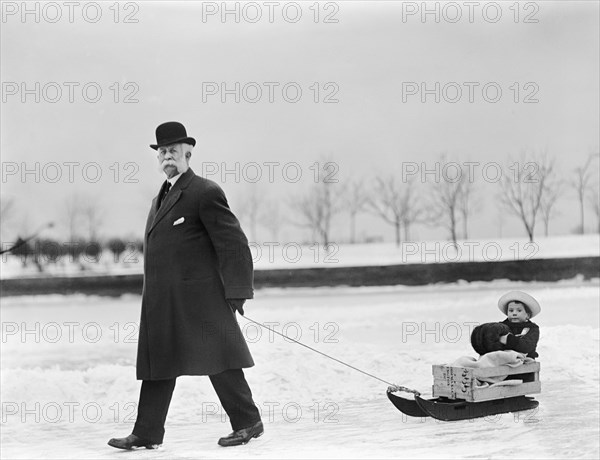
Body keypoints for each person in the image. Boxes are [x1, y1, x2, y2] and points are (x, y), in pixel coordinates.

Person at [108, 121, 263, 450]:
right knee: (158, 364)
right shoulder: (159, 198)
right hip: (163, 302)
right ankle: (147, 431)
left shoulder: (204, 192)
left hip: (201, 299)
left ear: (188, 154)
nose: (167, 157)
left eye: (173, 151)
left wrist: (237, 291)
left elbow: (234, 244)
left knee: (219, 360)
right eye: (162, 152)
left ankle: (248, 422)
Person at [497, 290, 541, 359]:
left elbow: (527, 346)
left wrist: (508, 340)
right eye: (511, 310)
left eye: (519, 310)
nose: (514, 313)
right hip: (503, 359)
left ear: (527, 315)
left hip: (525, 360)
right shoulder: (501, 327)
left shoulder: (532, 328)